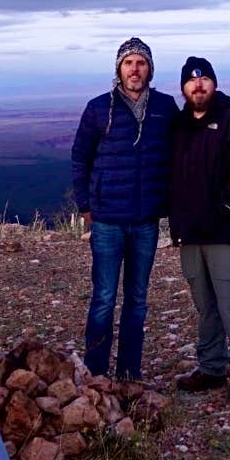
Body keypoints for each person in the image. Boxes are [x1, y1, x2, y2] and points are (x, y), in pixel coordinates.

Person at [70, 38, 177, 381]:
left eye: (141, 63)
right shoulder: (98, 108)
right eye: (128, 62)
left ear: (150, 69)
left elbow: (180, 153)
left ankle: (130, 375)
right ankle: (97, 374)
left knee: (137, 300)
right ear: (119, 68)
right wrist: (85, 207)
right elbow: (80, 158)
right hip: (107, 221)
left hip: (146, 220)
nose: (134, 69)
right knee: (103, 298)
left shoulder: (164, 108)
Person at [168, 56, 230, 403]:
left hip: (225, 231)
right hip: (190, 234)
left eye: (204, 79)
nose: (198, 85)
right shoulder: (178, 127)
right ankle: (211, 368)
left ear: (214, 84)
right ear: (183, 88)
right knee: (205, 305)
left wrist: (226, 207)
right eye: (192, 81)